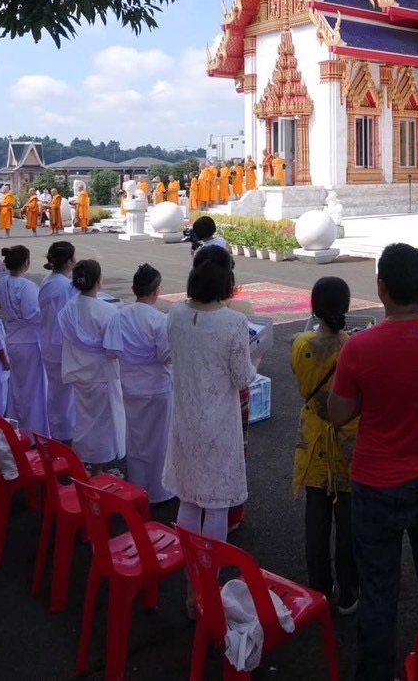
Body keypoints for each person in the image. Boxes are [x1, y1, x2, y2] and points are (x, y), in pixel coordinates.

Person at [329, 242, 418, 681]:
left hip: (377, 483)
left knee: (378, 590)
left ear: (381, 288)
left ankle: (375, 672)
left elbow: (339, 413)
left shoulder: (360, 347)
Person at [163, 246, 255, 604]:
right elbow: (242, 376)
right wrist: (256, 354)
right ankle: (206, 584)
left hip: (185, 416)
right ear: (227, 282)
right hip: (217, 421)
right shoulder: (234, 323)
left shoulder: (176, 315)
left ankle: (191, 582)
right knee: (215, 504)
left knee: (188, 498)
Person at [290, 276, 359, 614]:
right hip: (349, 442)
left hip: (314, 444)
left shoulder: (300, 344)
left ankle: (318, 589)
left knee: (315, 523)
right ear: (346, 307)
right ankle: (349, 590)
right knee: (348, 523)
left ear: (313, 307)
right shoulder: (356, 348)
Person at [104, 264, 173, 504]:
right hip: (157, 386)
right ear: (156, 291)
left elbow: (111, 349)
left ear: (134, 289)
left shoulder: (119, 315)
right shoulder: (160, 320)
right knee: (160, 440)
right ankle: (160, 489)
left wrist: (133, 357)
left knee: (135, 438)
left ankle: (138, 486)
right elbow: (166, 356)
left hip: (131, 383)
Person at [58, 259, 124, 468]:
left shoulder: (69, 308)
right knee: (102, 425)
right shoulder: (107, 311)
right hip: (101, 374)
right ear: (98, 280)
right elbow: (113, 349)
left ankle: (86, 465)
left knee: (84, 421)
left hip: (79, 371)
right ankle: (97, 469)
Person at [0, 245, 45, 432]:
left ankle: (15, 427)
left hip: (12, 337)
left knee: (16, 387)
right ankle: (32, 431)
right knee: (32, 389)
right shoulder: (27, 286)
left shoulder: (2, 283)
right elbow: (32, 314)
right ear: (26, 263)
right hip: (29, 341)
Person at [37, 242, 78, 442]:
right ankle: (64, 440)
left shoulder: (50, 280)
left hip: (48, 343)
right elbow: (68, 319)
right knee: (64, 398)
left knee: (57, 394)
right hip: (59, 346)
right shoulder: (63, 286)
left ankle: (59, 437)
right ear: (69, 261)